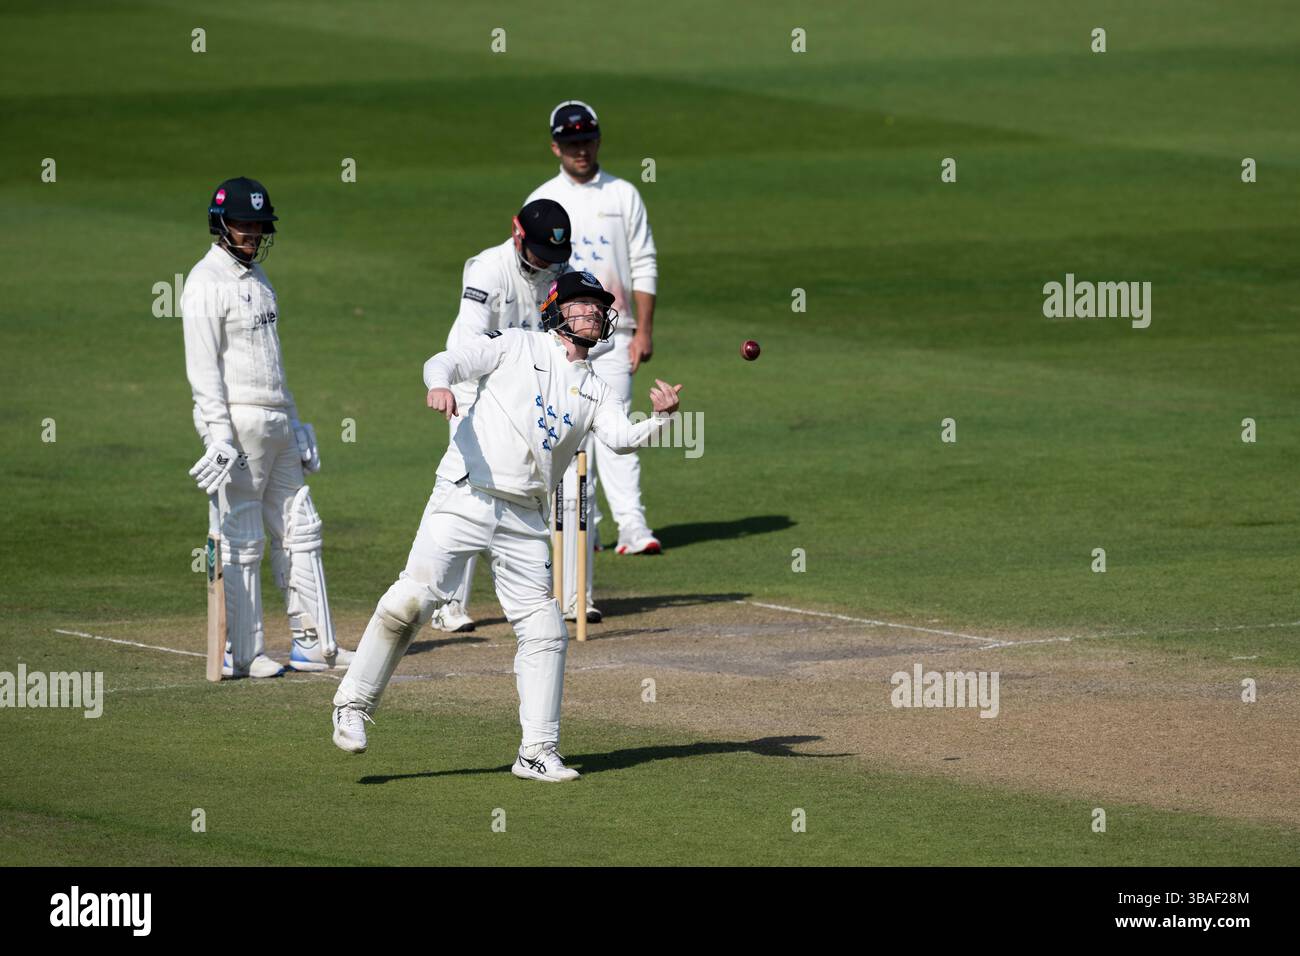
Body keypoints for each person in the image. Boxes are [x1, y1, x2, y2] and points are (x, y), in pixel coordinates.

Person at [331, 271, 684, 781]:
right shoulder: (515, 344)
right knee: (413, 600)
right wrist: (438, 385)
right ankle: (353, 705)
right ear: (557, 311)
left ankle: (536, 752)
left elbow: (621, 439)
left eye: (598, 307)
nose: (592, 313)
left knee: (545, 629)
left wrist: (662, 419)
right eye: (581, 305)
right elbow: (446, 360)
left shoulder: (596, 388)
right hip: (466, 492)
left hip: (525, 515)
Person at [182, 176, 354, 677]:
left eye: (259, 225)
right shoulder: (204, 282)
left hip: (276, 419)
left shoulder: (259, 279)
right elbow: (203, 370)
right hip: (238, 422)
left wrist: (296, 424)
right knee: (243, 537)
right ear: (221, 225)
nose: (253, 233)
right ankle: (244, 650)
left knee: (302, 528)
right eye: (244, 224)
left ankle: (314, 645)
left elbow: (273, 365)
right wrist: (217, 434)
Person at [527, 100, 663, 593]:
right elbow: (535, 274)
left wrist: (642, 329)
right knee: (569, 435)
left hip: (616, 331)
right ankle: (583, 529)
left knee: (617, 426)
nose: (580, 150)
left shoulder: (623, 194)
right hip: (562, 338)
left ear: (598, 140)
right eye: (570, 142)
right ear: (555, 146)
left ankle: (633, 526)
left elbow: (644, 262)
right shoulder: (543, 198)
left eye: (587, 140)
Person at [429, 199, 572, 634]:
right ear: (516, 233)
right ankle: (447, 603)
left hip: (529, 396)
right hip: (474, 391)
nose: (548, 265)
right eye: (540, 255)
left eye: (554, 258)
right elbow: (472, 343)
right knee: (470, 490)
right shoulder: (488, 270)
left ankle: (557, 596)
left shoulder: (561, 271)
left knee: (535, 488)